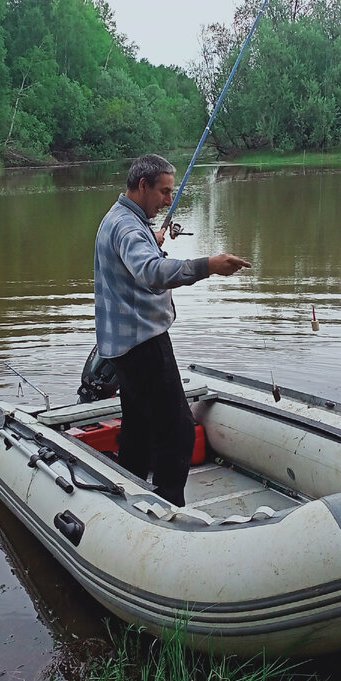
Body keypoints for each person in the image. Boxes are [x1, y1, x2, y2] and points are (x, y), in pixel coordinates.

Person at [93, 154, 250, 506]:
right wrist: (208, 265)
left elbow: (138, 257)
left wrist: (154, 240)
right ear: (143, 185)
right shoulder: (129, 228)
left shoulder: (120, 219)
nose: (168, 199)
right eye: (163, 192)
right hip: (144, 343)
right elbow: (151, 272)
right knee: (178, 432)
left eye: (171, 192)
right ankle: (169, 510)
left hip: (121, 346)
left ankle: (129, 493)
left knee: (138, 427)